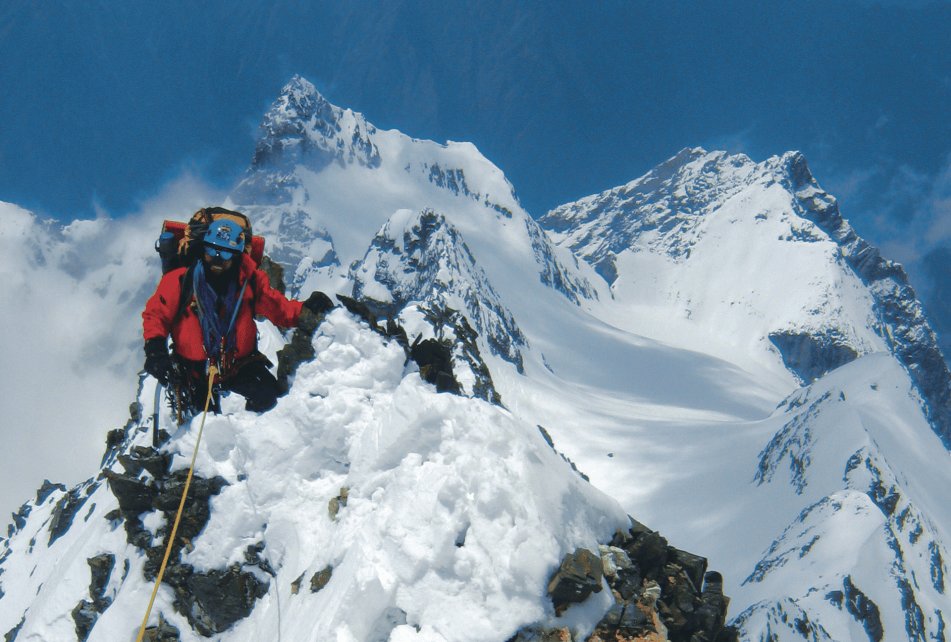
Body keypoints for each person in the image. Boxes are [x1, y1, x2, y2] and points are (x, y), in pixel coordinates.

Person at [142, 218, 334, 414]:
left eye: (225, 253)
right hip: (194, 370)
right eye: (211, 251)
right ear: (203, 249)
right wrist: (155, 349)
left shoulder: (249, 282)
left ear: (237, 256)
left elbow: (279, 309)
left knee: (274, 407)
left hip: (240, 364)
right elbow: (157, 315)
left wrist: (306, 309)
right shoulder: (181, 280)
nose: (217, 259)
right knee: (202, 426)